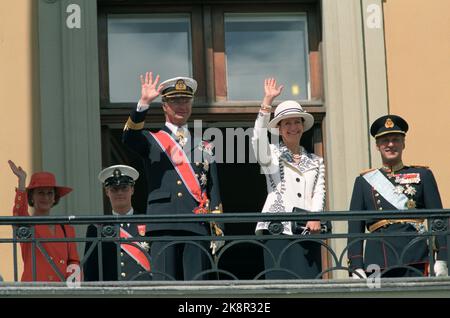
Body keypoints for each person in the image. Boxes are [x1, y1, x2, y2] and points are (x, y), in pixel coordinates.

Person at [122, 71, 223, 280]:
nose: (181, 106)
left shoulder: (205, 146)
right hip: (162, 226)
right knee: (164, 289)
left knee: (197, 291)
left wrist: (218, 228)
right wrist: (143, 103)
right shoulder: (151, 140)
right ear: (164, 106)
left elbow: (213, 189)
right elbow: (129, 138)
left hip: (197, 226)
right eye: (175, 101)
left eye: (185, 100)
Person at [347, 115, 448, 278]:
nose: (391, 144)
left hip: (416, 255)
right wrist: (356, 265)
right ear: (377, 146)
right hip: (377, 258)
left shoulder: (423, 175)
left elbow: (438, 220)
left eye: (396, 140)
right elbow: (354, 227)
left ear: (403, 144)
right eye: (385, 140)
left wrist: (442, 258)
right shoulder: (364, 181)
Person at [252, 78, 326, 279]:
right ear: (280, 128)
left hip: (307, 231)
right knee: (280, 287)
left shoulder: (316, 161)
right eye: (287, 123)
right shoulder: (270, 154)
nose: (293, 127)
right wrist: (267, 103)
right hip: (277, 230)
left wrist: (315, 216)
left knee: (308, 287)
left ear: (303, 125)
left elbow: (319, 193)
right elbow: (257, 139)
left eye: (296, 122)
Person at [8, 160, 80, 282]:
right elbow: (19, 214)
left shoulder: (67, 229)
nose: (45, 197)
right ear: (31, 197)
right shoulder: (27, 226)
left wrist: (73, 289)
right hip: (33, 290)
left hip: (60, 290)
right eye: (40, 193)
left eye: (50, 193)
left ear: (54, 198)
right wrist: (22, 182)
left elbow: (73, 262)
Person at [83, 165, 152, 281]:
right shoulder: (97, 228)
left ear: (132, 190)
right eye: (114, 189)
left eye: (124, 188)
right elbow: (90, 269)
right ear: (107, 192)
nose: (119, 193)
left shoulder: (147, 223)